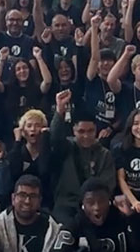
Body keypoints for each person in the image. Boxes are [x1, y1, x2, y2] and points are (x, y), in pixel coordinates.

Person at [48, 91, 116, 225]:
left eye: (90, 131)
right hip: (67, 204)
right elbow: (54, 138)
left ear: (96, 130)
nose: (86, 136)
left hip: (94, 206)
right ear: (74, 131)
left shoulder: (104, 154)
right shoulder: (66, 146)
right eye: (81, 131)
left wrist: (92, 204)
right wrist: (59, 112)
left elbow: (107, 186)